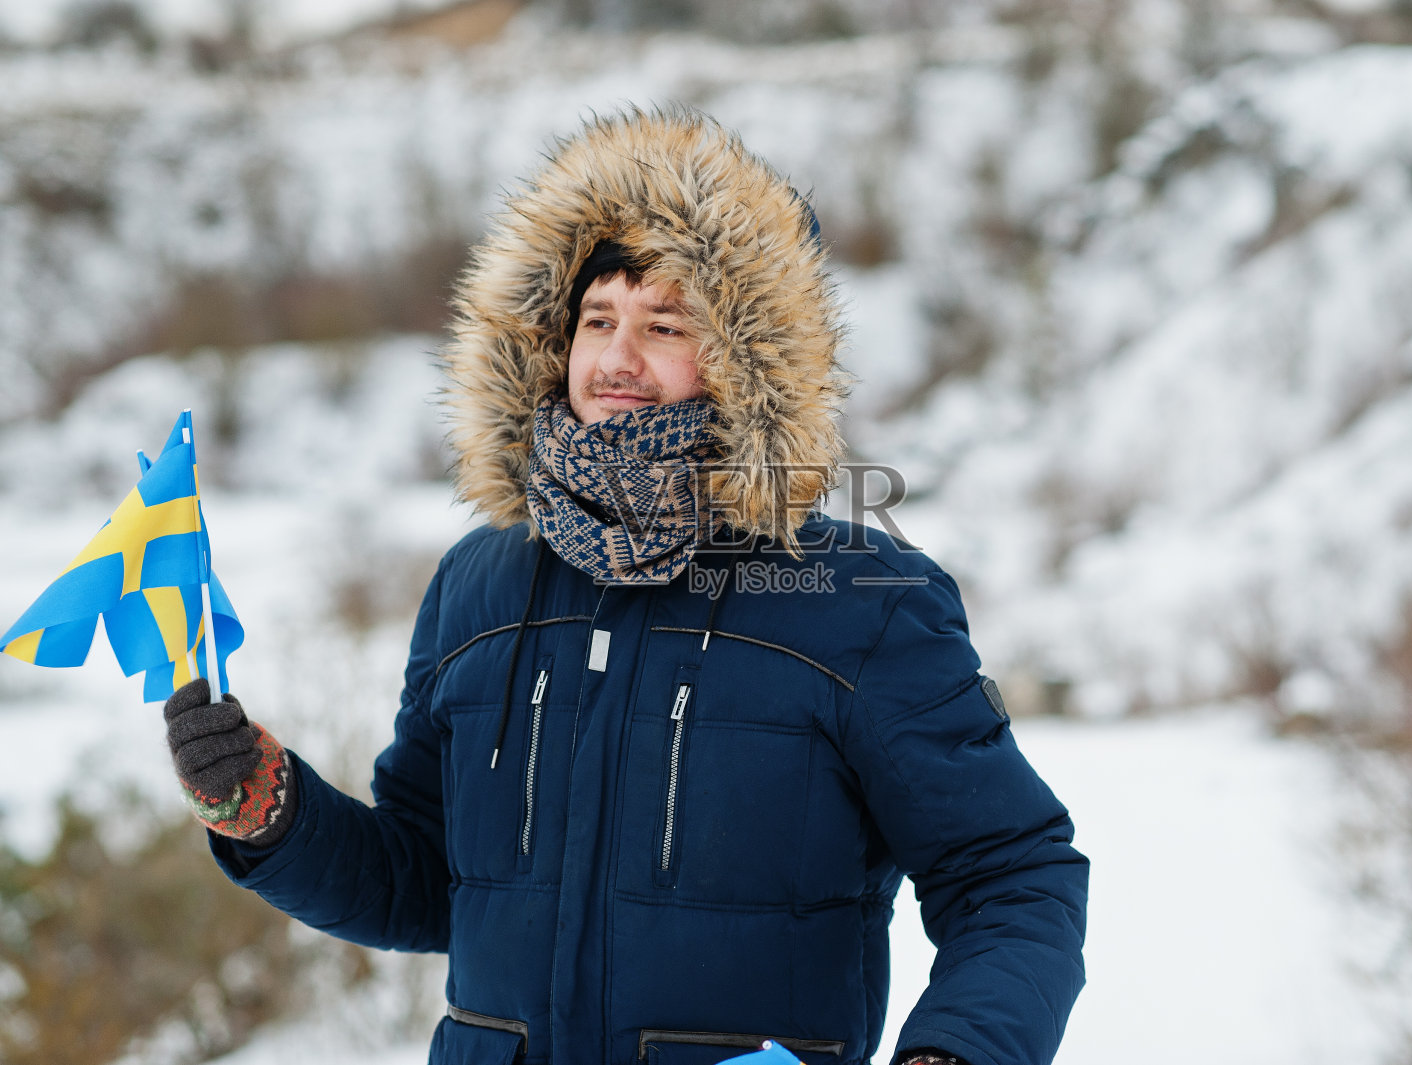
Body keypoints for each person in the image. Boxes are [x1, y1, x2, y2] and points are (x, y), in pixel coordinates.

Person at [162, 107, 1088, 1065]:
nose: (617, 359)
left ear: (749, 362)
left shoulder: (859, 598)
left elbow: (1014, 876)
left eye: (666, 323)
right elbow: (425, 880)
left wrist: (956, 1051)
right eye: (596, 319)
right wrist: (272, 812)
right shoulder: (479, 588)